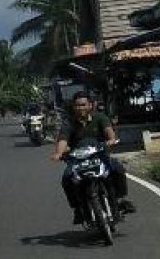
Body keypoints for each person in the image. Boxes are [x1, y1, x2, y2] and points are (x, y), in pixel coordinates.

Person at [50, 91, 134, 224]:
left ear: (90, 105)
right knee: (66, 178)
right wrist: (59, 153)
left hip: (100, 156)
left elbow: (110, 134)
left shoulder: (100, 117)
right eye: (77, 105)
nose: (80, 108)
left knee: (118, 169)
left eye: (83, 105)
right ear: (73, 107)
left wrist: (111, 141)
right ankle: (77, 209)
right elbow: (63, 140)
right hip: (78, 160)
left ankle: (120, 198)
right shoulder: (69, 123)